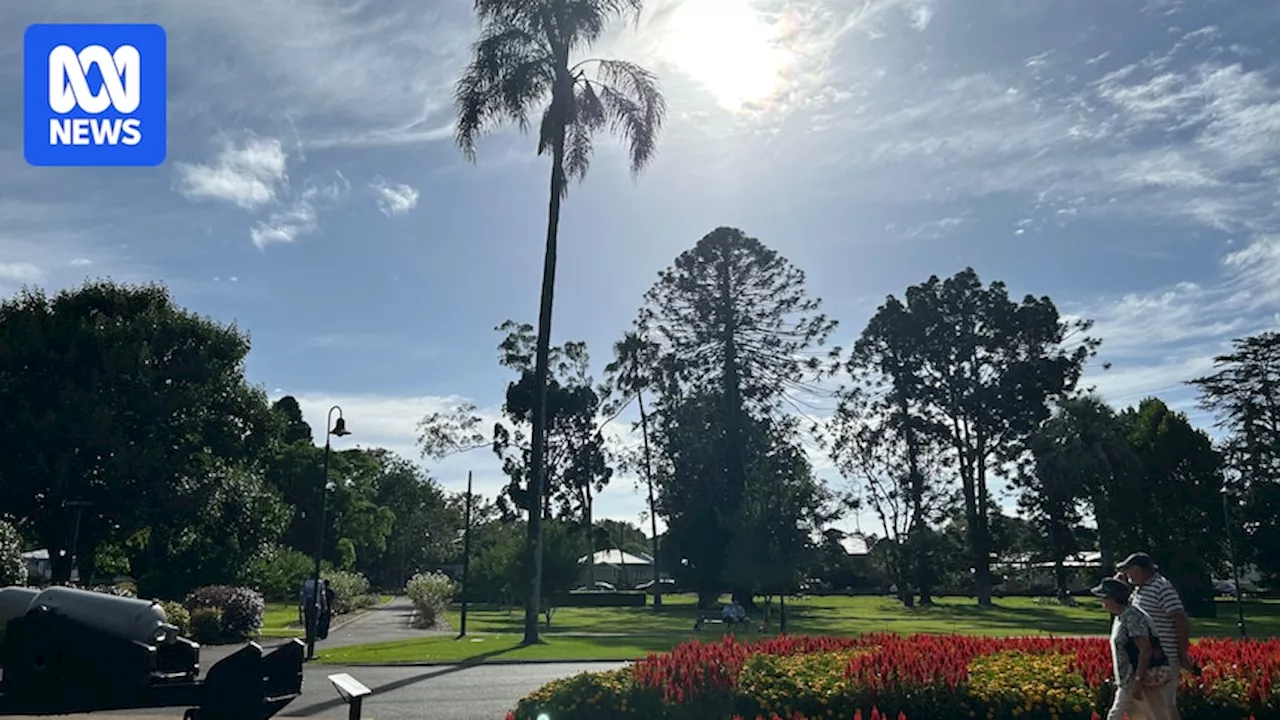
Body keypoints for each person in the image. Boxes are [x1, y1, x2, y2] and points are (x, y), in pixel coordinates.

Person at [1117, 552, 1194, 719]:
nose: (1127, 574)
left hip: (1164, 658)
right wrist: (1120, 586)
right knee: (1152, 707)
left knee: (1165, 705)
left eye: (1128, 570)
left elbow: (1180, 617)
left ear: (1139, 569)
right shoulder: (1139, 589)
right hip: (1148, 659)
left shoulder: (1161, 586)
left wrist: (1182, 652)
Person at [1092, 577, 1174, 720]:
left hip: (1135, 677)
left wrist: (1137, 680)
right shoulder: (1121, 616)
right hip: (1128, 678)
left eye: (1104, 597)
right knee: (1146, 715)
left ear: (1113, 598)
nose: (1101, 601)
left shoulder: (1132, 616)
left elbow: (1145, 649)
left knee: (1116, 714)